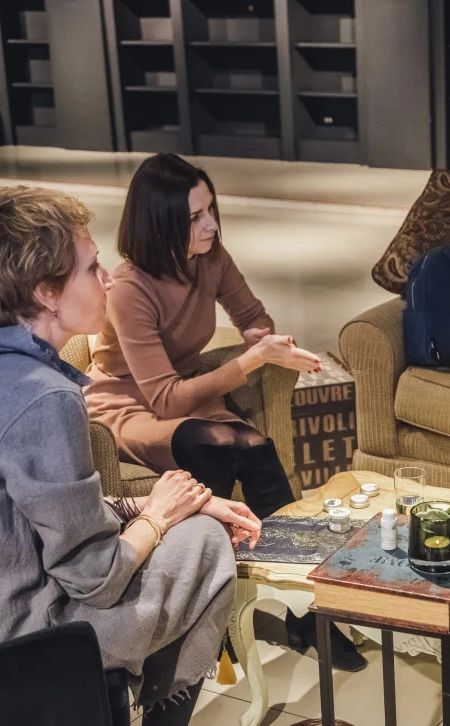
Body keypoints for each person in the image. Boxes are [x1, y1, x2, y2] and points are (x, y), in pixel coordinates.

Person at [0, 186, 264, 726]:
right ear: (46, 292)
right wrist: (165, 519)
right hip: (1, 660)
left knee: (186, 523)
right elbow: (97, 578)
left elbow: (35, 513)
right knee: (206, 544)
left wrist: (154, 505)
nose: (107, 278)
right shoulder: (42, 397)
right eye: (91, 267)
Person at [84, 153, 365, 672]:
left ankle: (303, 611)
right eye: (195, 216)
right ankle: (207, 608)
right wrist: (252, 358)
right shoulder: (129, 289)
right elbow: (164, 400)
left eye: (210, 209)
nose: (211, 224)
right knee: (218, 445)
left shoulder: (209, 256)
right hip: (128, 404)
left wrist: (264, 338)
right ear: (160, 222)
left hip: (186, 392)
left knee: (255, 446)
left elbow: (253, 316)